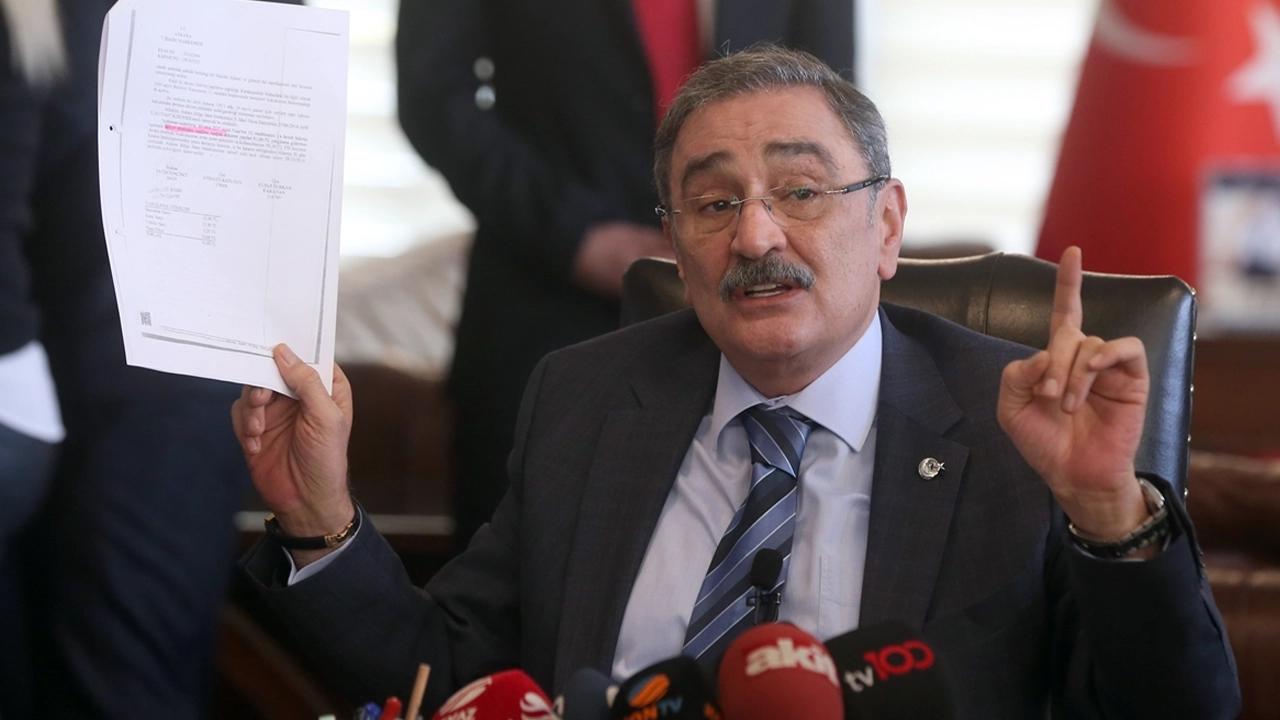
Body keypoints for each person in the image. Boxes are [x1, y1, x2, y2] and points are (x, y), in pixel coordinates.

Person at [237, 46, 1240, 718]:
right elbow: (446, 680)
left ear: (886, 226)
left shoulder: (1015, 426)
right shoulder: (586, 401)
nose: (755, 236)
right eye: (713, 203)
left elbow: (1175, 706)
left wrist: (1107, 513)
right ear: (675, 245)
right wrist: (320, 520)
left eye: (799, 191)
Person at [395, 0, 853, 545]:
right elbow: (434, 94)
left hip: (748, 310)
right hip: (541, 305)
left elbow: (833, 103)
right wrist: (575, 237)